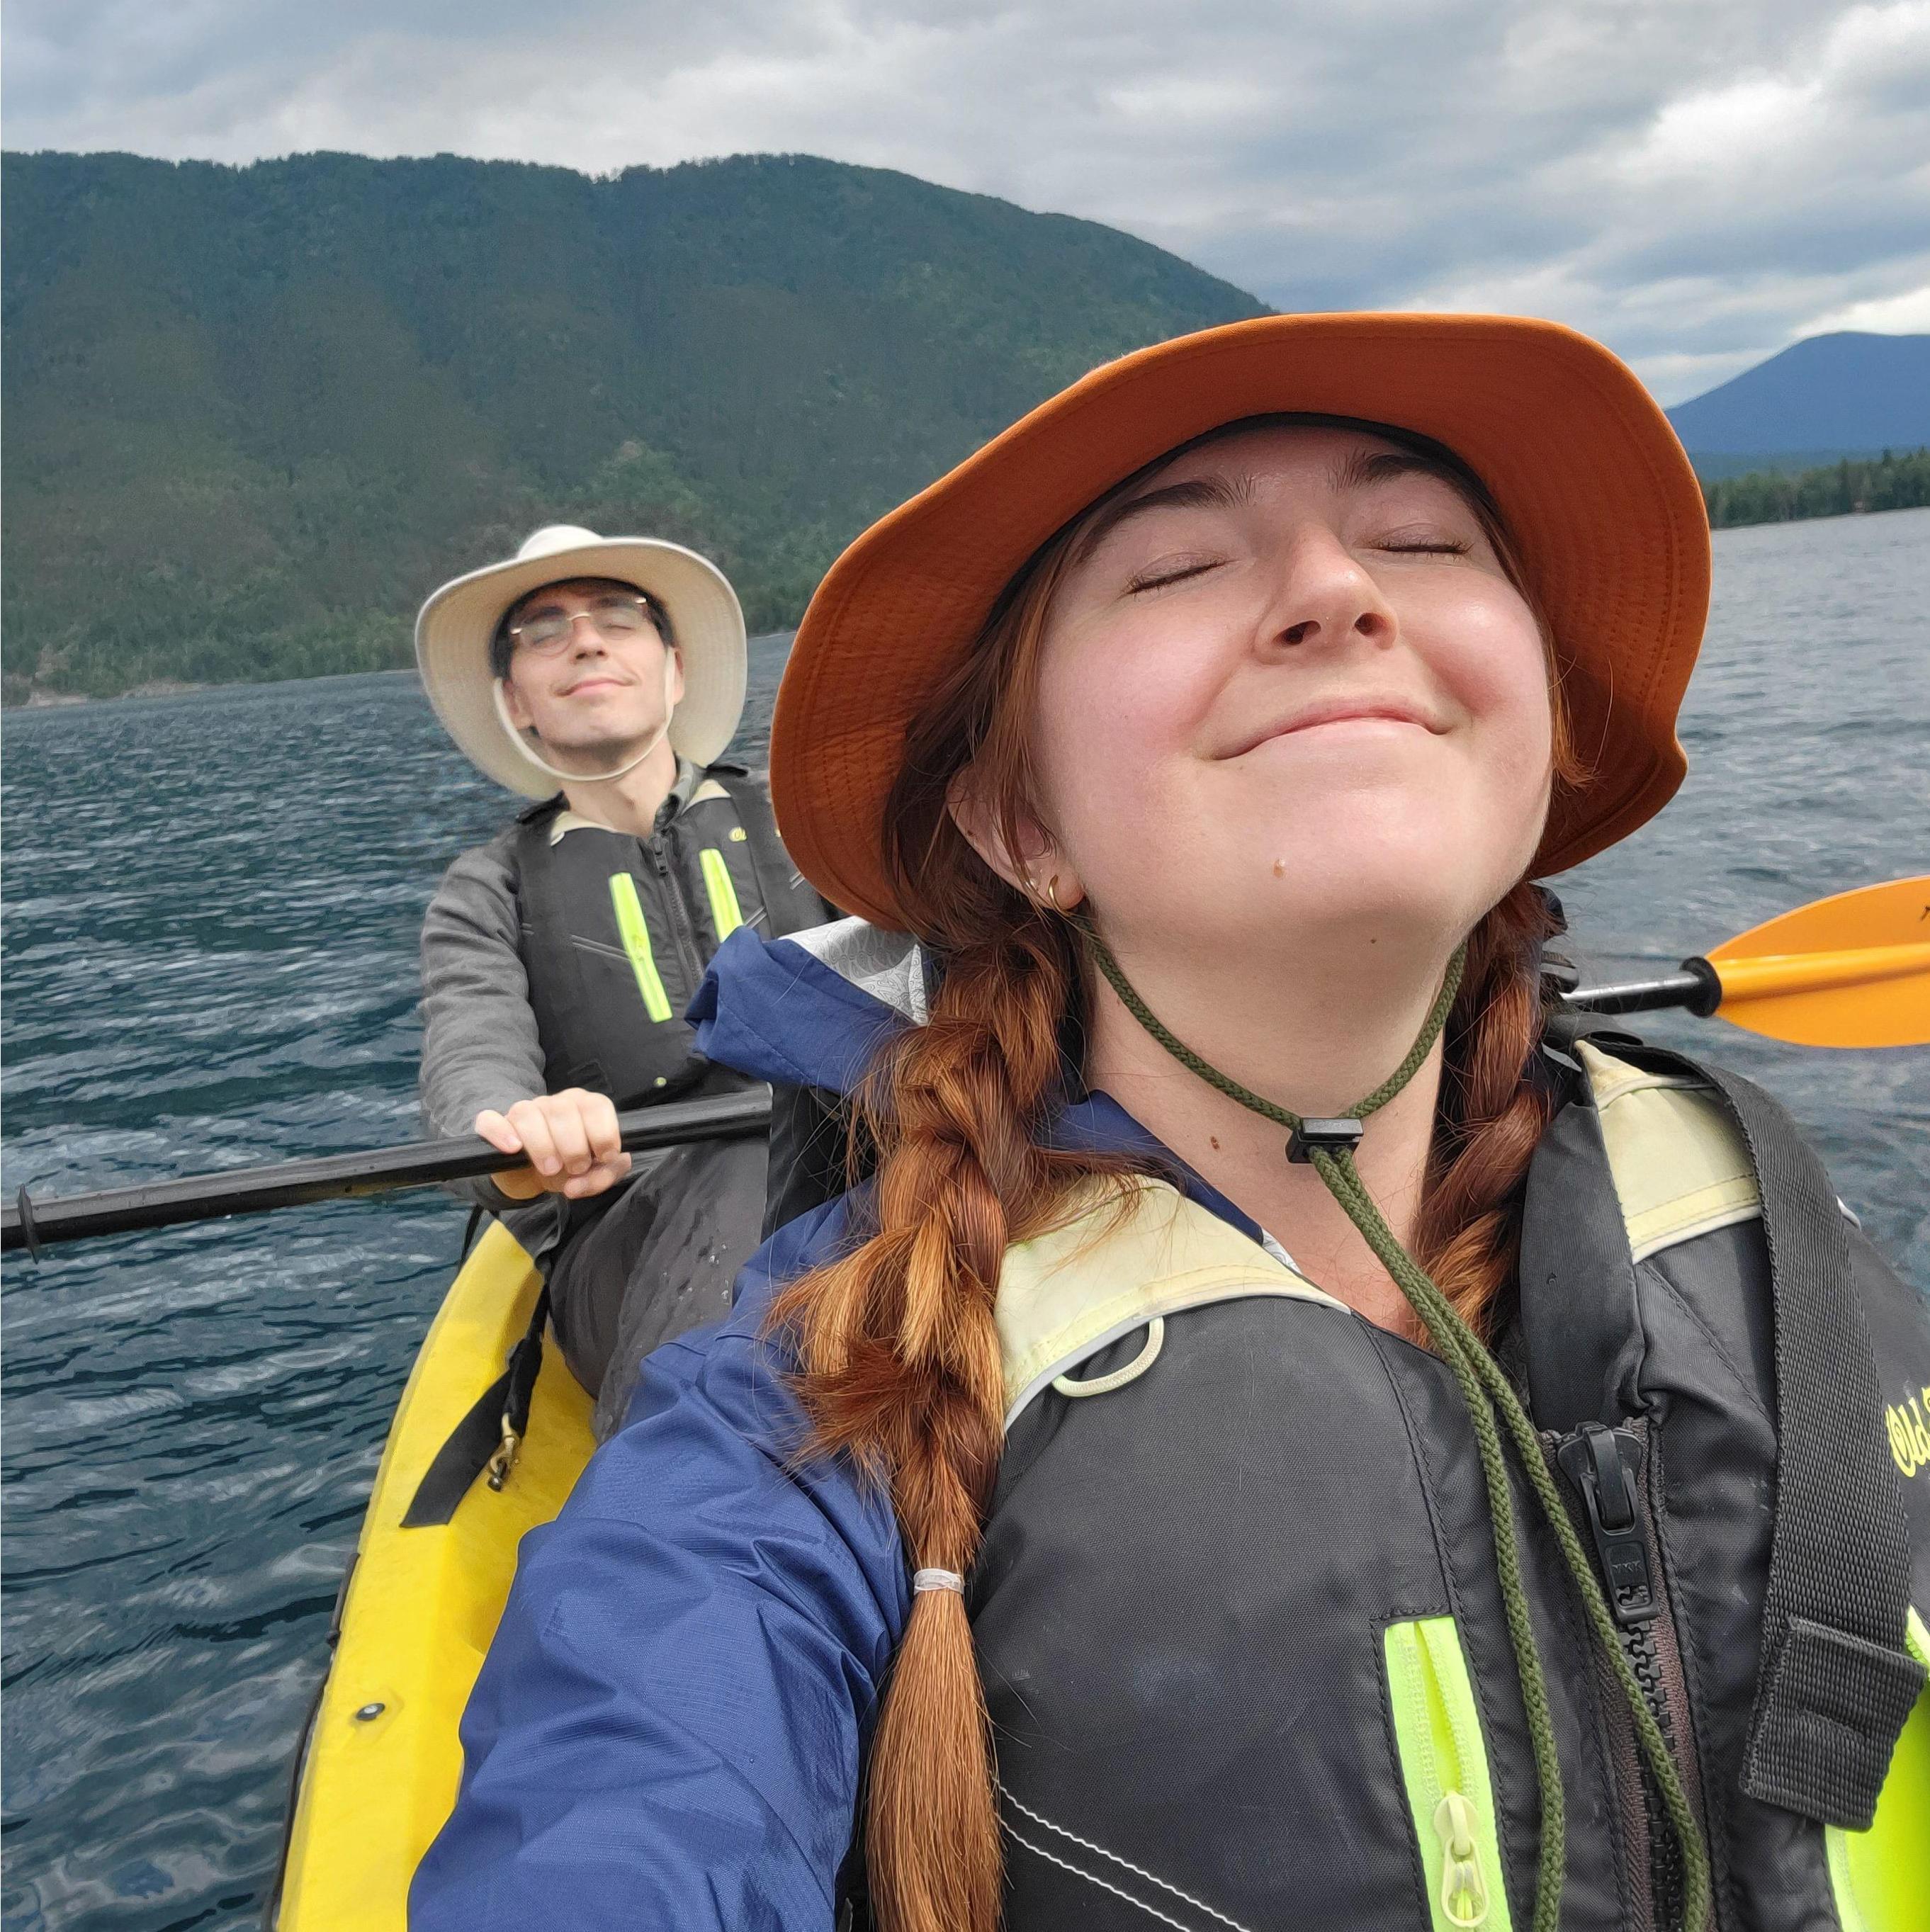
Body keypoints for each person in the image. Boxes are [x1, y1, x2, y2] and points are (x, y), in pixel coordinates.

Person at [412, 321, 1930, 1929]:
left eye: (1423, 540)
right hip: (669, 1190)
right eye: (1174, 568)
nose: (1343, 589)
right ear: (1018, 825)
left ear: (1542, 734)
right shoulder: (781, 1426)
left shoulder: (1765, 1223)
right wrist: (528, 1124)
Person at [414, 525, 826, 1437]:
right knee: (737, 1164)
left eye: (618, 618)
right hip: (635, 1240)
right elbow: (470, 1050)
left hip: (862, 1175)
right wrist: (513, 1126)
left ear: (674, 670)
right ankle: (682, 1502)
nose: (587, 640)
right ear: (514, 700)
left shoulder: (811, 815)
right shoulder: (490, 891)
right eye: (544, 631)